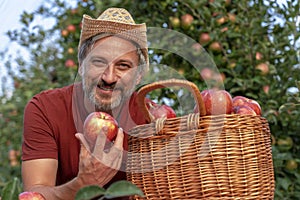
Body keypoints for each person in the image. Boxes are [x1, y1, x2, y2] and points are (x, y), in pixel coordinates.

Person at [21, 7, 149, 199]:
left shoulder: (150, 117)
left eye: (123, 66)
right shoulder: (45, 108)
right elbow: (34, 193)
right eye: (98, 62)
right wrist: (82, 184)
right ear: (81, 66)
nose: (109, 77)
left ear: (138, 75)